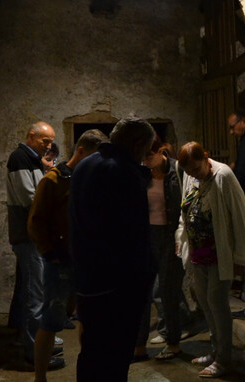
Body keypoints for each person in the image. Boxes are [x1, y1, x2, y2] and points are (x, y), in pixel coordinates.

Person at [69, 116, 157, 381]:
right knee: (116, 356)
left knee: (91, 351)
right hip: (118, 286)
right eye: (146, 149)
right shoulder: (123, 172)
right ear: (137, 144)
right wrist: (143, 279)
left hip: (87, 278)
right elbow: (132, 234)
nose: (146, 156)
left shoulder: (85, 165)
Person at [28, 129, 109, 381]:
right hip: (61, 261)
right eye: (94, 157)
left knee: (89, 320)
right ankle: (40, 377)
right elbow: (36, 220)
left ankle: (88, 374)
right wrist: (49, 252)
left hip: (86, 260)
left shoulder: (92, 179)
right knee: (51, 321)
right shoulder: (53, 180)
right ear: (81, 151)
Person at [176, 141, 245, 378]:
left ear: (206, 158)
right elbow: (185, 210)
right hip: (199, 253)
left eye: (196, 169)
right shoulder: (190, 175)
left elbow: (241, 216)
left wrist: (239, 257)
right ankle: (216, 350)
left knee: (217, 304)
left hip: (219, 253)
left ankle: (224, 359)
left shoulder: (223, 176)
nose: (193, 175)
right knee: (205, 303)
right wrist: (181, 236)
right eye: (189, 172)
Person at [6, 121, 60, 366]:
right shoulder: (20, 158)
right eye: (44, 141)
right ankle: (35, 352)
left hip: (30, 234)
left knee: (29, 290)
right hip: (29, 235)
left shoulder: (32, 159)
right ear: (31, 136)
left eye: (51, 142)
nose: (48, 146)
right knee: (34, 295)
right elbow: (30, 197)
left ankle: (31, 340)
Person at [133, 141, 186, 361]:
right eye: (142, 157)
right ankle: (139, 346)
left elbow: (184, 204)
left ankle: (173, 342)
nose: (145, 161)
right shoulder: (141, 174)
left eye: (149, 156)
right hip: (146, 235)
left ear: (160, 152)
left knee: (168, 290)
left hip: (169, 235)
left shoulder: (177, 170)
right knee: (141, 291)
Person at [227, 111, 245, 320]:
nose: (231, 132)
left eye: (233, 126)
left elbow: (243, 174)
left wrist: (233, 177)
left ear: (244, 122)